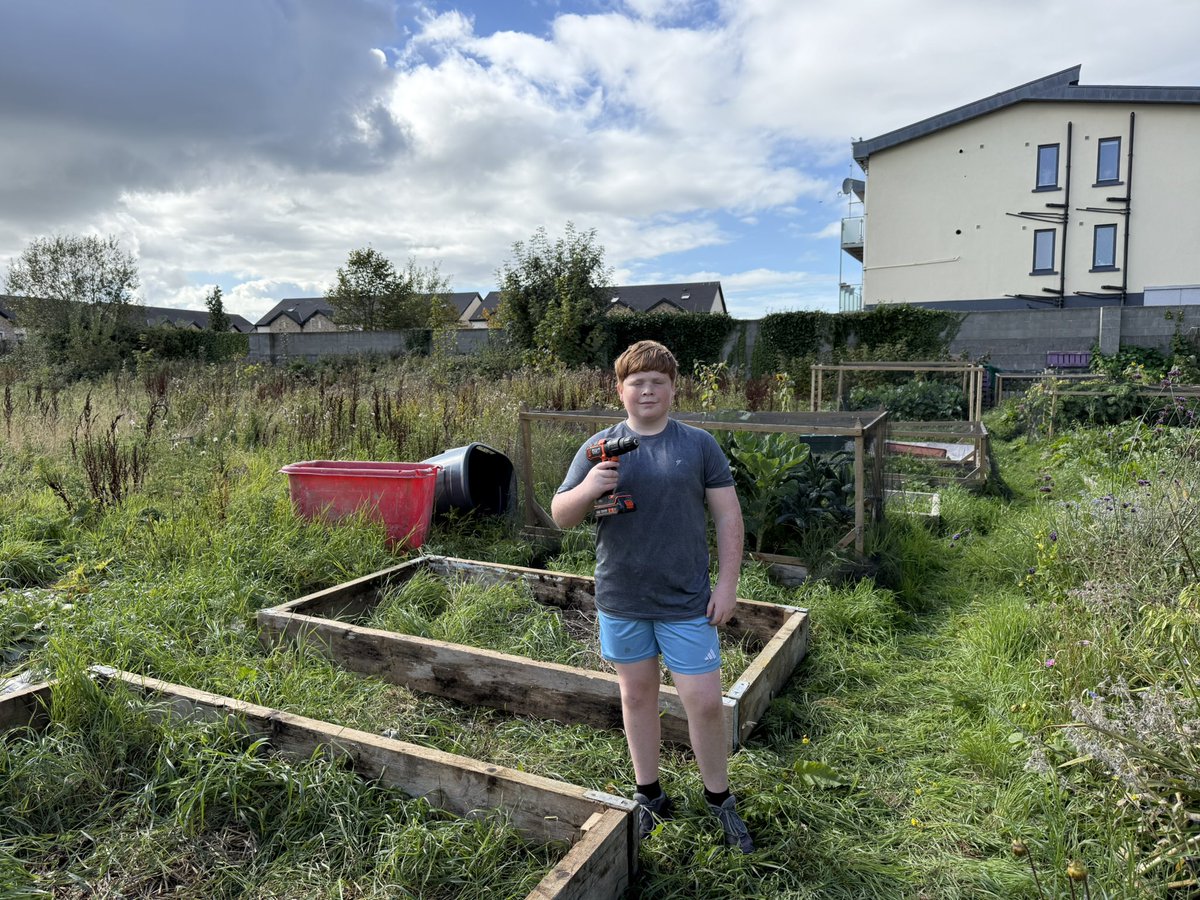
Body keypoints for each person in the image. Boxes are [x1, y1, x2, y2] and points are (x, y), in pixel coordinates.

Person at [551, 340, 754, 853]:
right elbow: (561, 515)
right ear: (620, 390)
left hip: (687, 600)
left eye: (657, 382)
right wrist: (591, 486)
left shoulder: (698, 445)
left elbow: (729, 516)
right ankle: (649, 795)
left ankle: (719, 800)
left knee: (705, 703)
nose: (647, 390)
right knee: (636, 695)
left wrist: (727, 585)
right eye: (636, 382)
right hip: (622, 598)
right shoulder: (598, 448)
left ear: (672, 388)